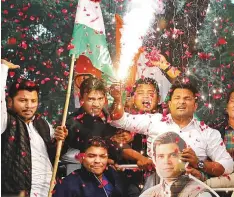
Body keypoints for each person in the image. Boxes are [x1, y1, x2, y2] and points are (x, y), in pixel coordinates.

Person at [110, 78, 234, 179]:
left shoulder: (208, 133)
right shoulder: (154, 121)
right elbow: (118, 120)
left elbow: (228, 166)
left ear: (195, 106)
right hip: (157, 186)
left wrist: (199, 163)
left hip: (192, 188)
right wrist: (117, 99)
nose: (181, 102)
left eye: (187, 99)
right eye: (177, 98)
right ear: (169, 104)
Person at [1, 59, 68, 197]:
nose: (29, 106)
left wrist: (59, 140)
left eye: (33, 101)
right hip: (17, 193)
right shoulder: (5, 121)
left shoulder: (42, 124)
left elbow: (52, 155)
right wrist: (3, 69)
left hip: (48, 191)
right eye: (23, 100)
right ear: (9, 102)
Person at [64, 77, 153, 176]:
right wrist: (139, 157)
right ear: (81, 99)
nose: (96, 104)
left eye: (100, 99)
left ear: (105, 98)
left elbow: (117, 143)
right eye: (91, 99)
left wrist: (128, 138)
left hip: (117, 174)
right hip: (85, 179)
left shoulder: (108, 115)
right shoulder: (73, 123)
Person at [141, 132, 218, 197]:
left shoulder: (201, 193)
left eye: (173, 155)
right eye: (161, 156)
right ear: (155, 160)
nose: (166, 161)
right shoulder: (148, 194)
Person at [53, 137, 125, 197]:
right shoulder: (68, 184)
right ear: (81, 158)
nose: (97, 160)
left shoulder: (112, 174)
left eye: (102, 156)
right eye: (91, 156)